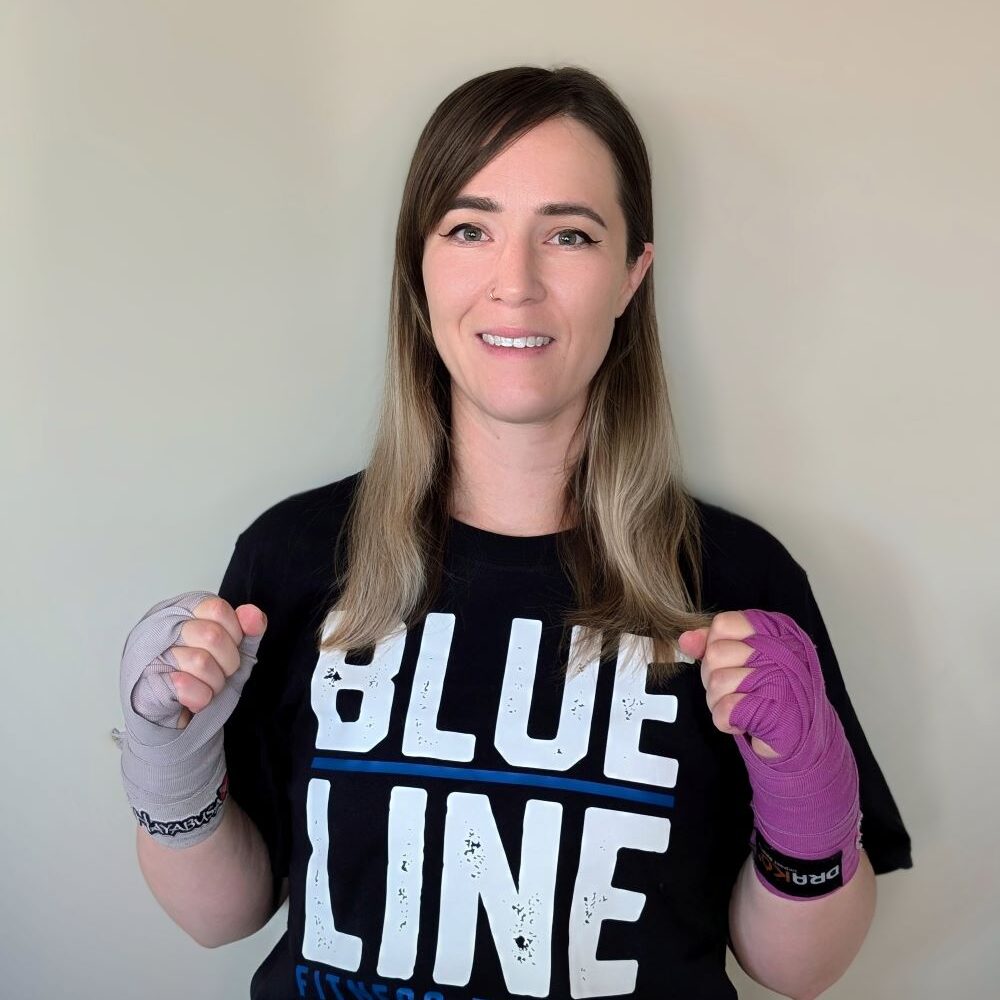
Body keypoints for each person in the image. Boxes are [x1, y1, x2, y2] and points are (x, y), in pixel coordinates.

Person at [116, 65, 912, 1000]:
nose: (516, 283)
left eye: (569, 235)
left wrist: (811, 792)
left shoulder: (736, 578)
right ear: (420, 266)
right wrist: (166, 762)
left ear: (632, 275)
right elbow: (224, 916)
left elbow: (798, 968)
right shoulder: (292, 559)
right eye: (470, 229)